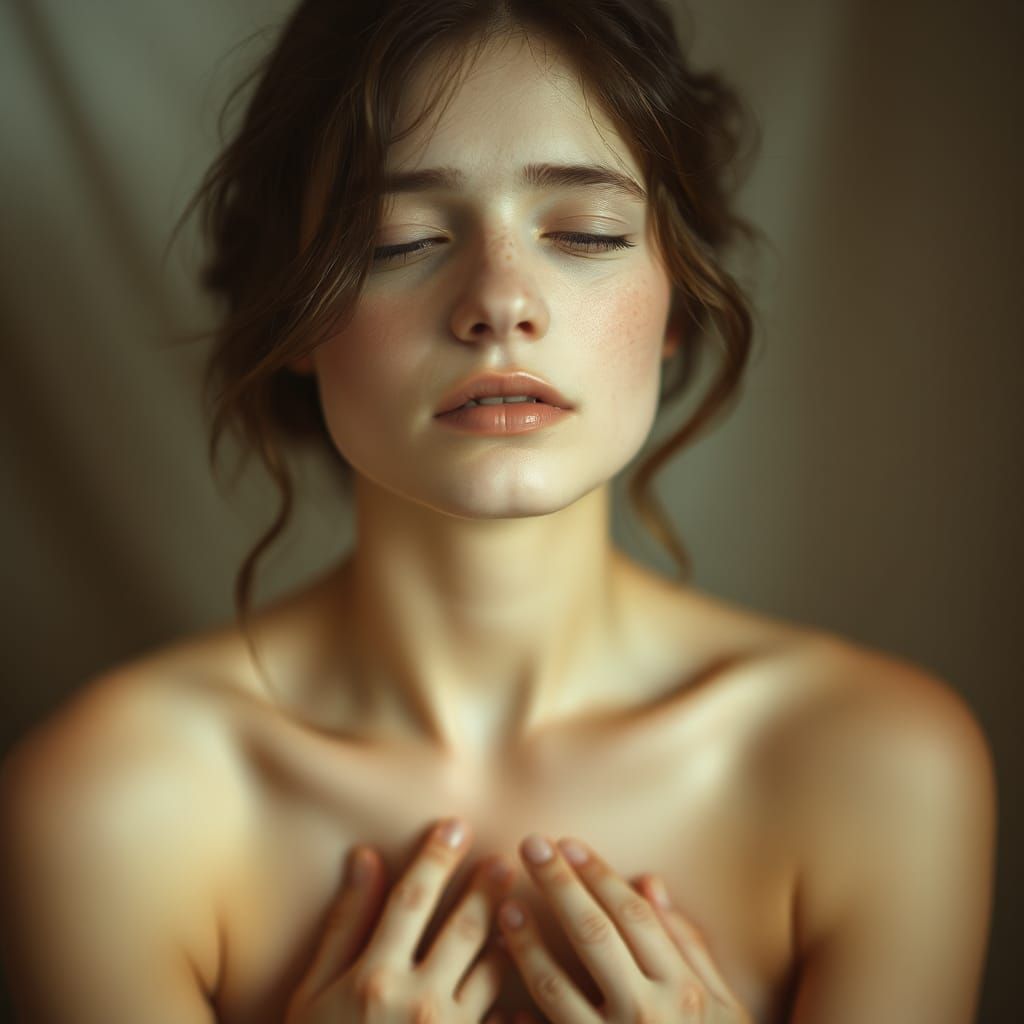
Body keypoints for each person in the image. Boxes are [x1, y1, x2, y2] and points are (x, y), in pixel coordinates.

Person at [0, 1, 997, 1021]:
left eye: (586, 232)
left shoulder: (876, 771)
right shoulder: (108, 807)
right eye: (400, 239)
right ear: (294, 310)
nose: (500, 300)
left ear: (676, 299)